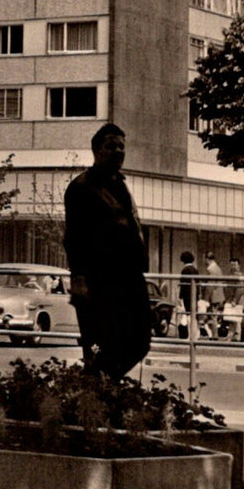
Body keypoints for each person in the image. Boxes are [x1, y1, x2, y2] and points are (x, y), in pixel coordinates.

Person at [62, 123, 153, 378]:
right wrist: (79, 278)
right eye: (111, 146)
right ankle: (96, 388)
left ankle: (100, 384)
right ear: (96, 150)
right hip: (99, 280)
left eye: (122, 146)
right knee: (101, 343)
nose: (118, 151)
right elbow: (74, 237)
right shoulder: (82, 187)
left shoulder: (121, 185)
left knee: (140, 341)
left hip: (130, 276)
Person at [177, 251, 202, 339]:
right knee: (193, 315)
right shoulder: (195, 270)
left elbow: (183, 285)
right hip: (194, 295)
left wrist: (180, 297)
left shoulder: (185, 270)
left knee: (188, 315)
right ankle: (195, 333)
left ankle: (191, 335)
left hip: (187, 296)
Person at [203, 254, 226, 337]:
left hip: (213, 295)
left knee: (213, 316)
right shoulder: (217, 268)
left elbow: (210, 285)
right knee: (214, 315)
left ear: (207, 259)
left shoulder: (211, 269)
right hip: (218, 295)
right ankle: (214, 334)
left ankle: (214, 335)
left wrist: (206, 298)